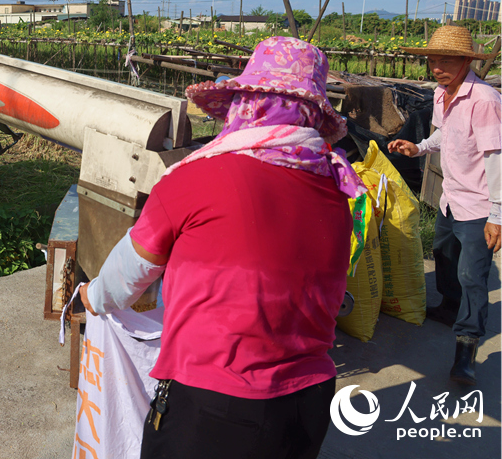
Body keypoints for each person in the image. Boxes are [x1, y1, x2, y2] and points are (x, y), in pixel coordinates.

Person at [80, 36, 367, 459]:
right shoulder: (338, 190)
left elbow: (125, 279)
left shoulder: (194, 179)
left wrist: (93, 296)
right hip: (307, 402)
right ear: (309, 117)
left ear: (246, 104)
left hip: (214, 405)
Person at [388, 25, 500, 386]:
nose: (438, 67)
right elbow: (442, 133)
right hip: (451, 198)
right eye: (434, 60)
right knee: (444, 255)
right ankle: (450, 307)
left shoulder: (484, 100)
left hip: (479, 204)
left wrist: (497, 215)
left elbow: (496, 157)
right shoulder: (441, 93)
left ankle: (465, 349)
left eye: (446, 60)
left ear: (467, 60)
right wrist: (419, 148)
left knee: (473, 276)